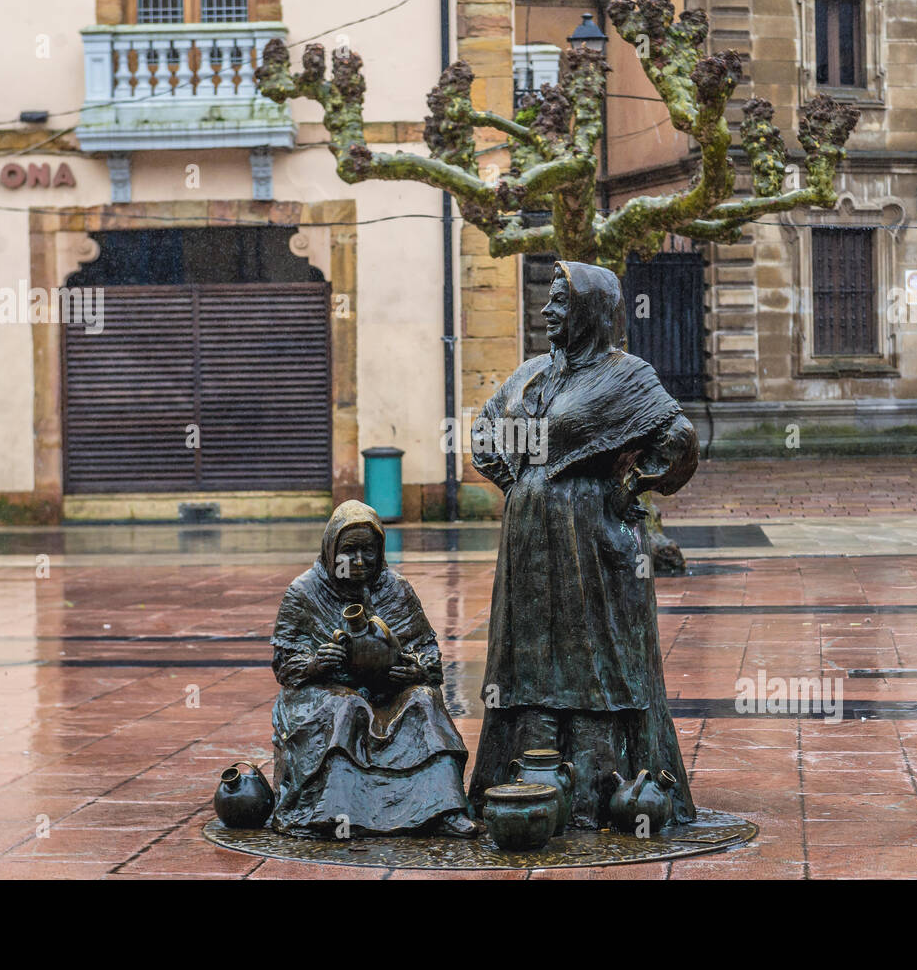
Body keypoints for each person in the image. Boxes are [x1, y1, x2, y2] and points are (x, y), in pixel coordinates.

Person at [467, 260, 699, 828]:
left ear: (591, 312)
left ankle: (601, 791)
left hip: (594, 541)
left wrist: (630, 484)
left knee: (598, 659)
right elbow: (484, 429)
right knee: (528, 659)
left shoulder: (627, 376)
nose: (549, 311)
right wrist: (518, 483)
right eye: (549, 301)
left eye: (561, 303)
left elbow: (679, 441)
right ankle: (520, 776)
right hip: (529, 540)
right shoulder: (528, 375)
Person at [269, 500, 480, 838]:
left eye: (368, 550)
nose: (359, 560)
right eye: (349, 551)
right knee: (347, 707)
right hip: (325, 693)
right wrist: (314, 664)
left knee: (424, 700)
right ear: (331, 549)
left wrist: (417, 671)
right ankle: (332, 813)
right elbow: (284, 665)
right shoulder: (304, 592)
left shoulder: (395, 588)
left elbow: (427, 649)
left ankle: (442, 809)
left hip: (387, 692)